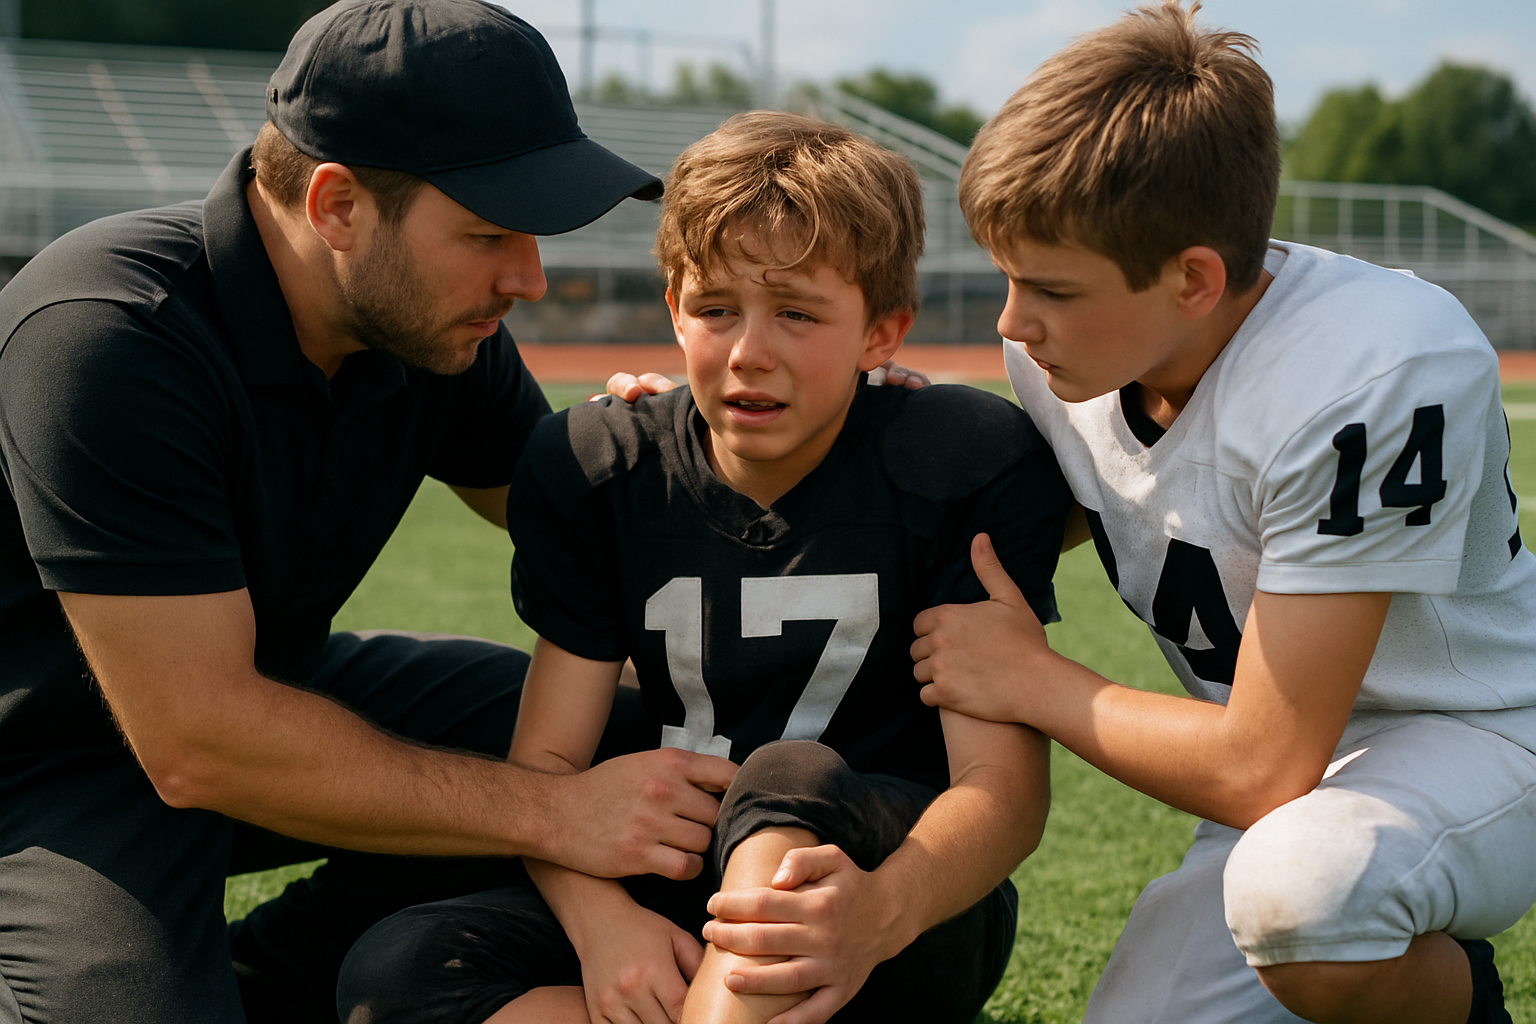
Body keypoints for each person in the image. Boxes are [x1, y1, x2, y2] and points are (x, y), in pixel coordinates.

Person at [0, 2, 740, 1022]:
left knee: (622, 733)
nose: (527, 277)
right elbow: (196, 741)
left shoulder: (427, 321)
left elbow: (570, 520)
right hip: (49, 762)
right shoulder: (111, 335)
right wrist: (557, 814)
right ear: (338, 204)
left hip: (256, 687)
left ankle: (277, 975)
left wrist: (795, 437)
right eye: (487, 232)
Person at [334, 111, 1071, 1024]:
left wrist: (881, 914)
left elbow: (1000, 792)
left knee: (786, 772)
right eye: (717, 309)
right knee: (395, 977)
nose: (749, 351)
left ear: (883, 333)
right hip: (677, 881)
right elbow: (551, 766)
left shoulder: (953, 457)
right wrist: (605, 925)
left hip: (898, 898)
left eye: (798, 313)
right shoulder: (599, 465)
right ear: (674, 306)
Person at [911, 3, 1536, 1023]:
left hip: (1472, 732)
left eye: (1050, 289)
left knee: (1307, 898)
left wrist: (1034, 679)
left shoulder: (1369, 366)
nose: (1011, 322)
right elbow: (1081, 499)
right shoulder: (1070, 346)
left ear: (1193, 278)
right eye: (1008, 276)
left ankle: (1461, 1001)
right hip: (1283, 770)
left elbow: (1260, 765)